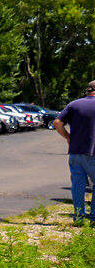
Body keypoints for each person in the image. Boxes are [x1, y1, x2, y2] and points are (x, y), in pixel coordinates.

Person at [53, 81, 95, 224]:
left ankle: (79, 217)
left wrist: (67, 137)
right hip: (93, 153)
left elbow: (57, 122)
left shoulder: (73, 105)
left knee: (78, 185)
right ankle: (94, 217)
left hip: (75, 152)